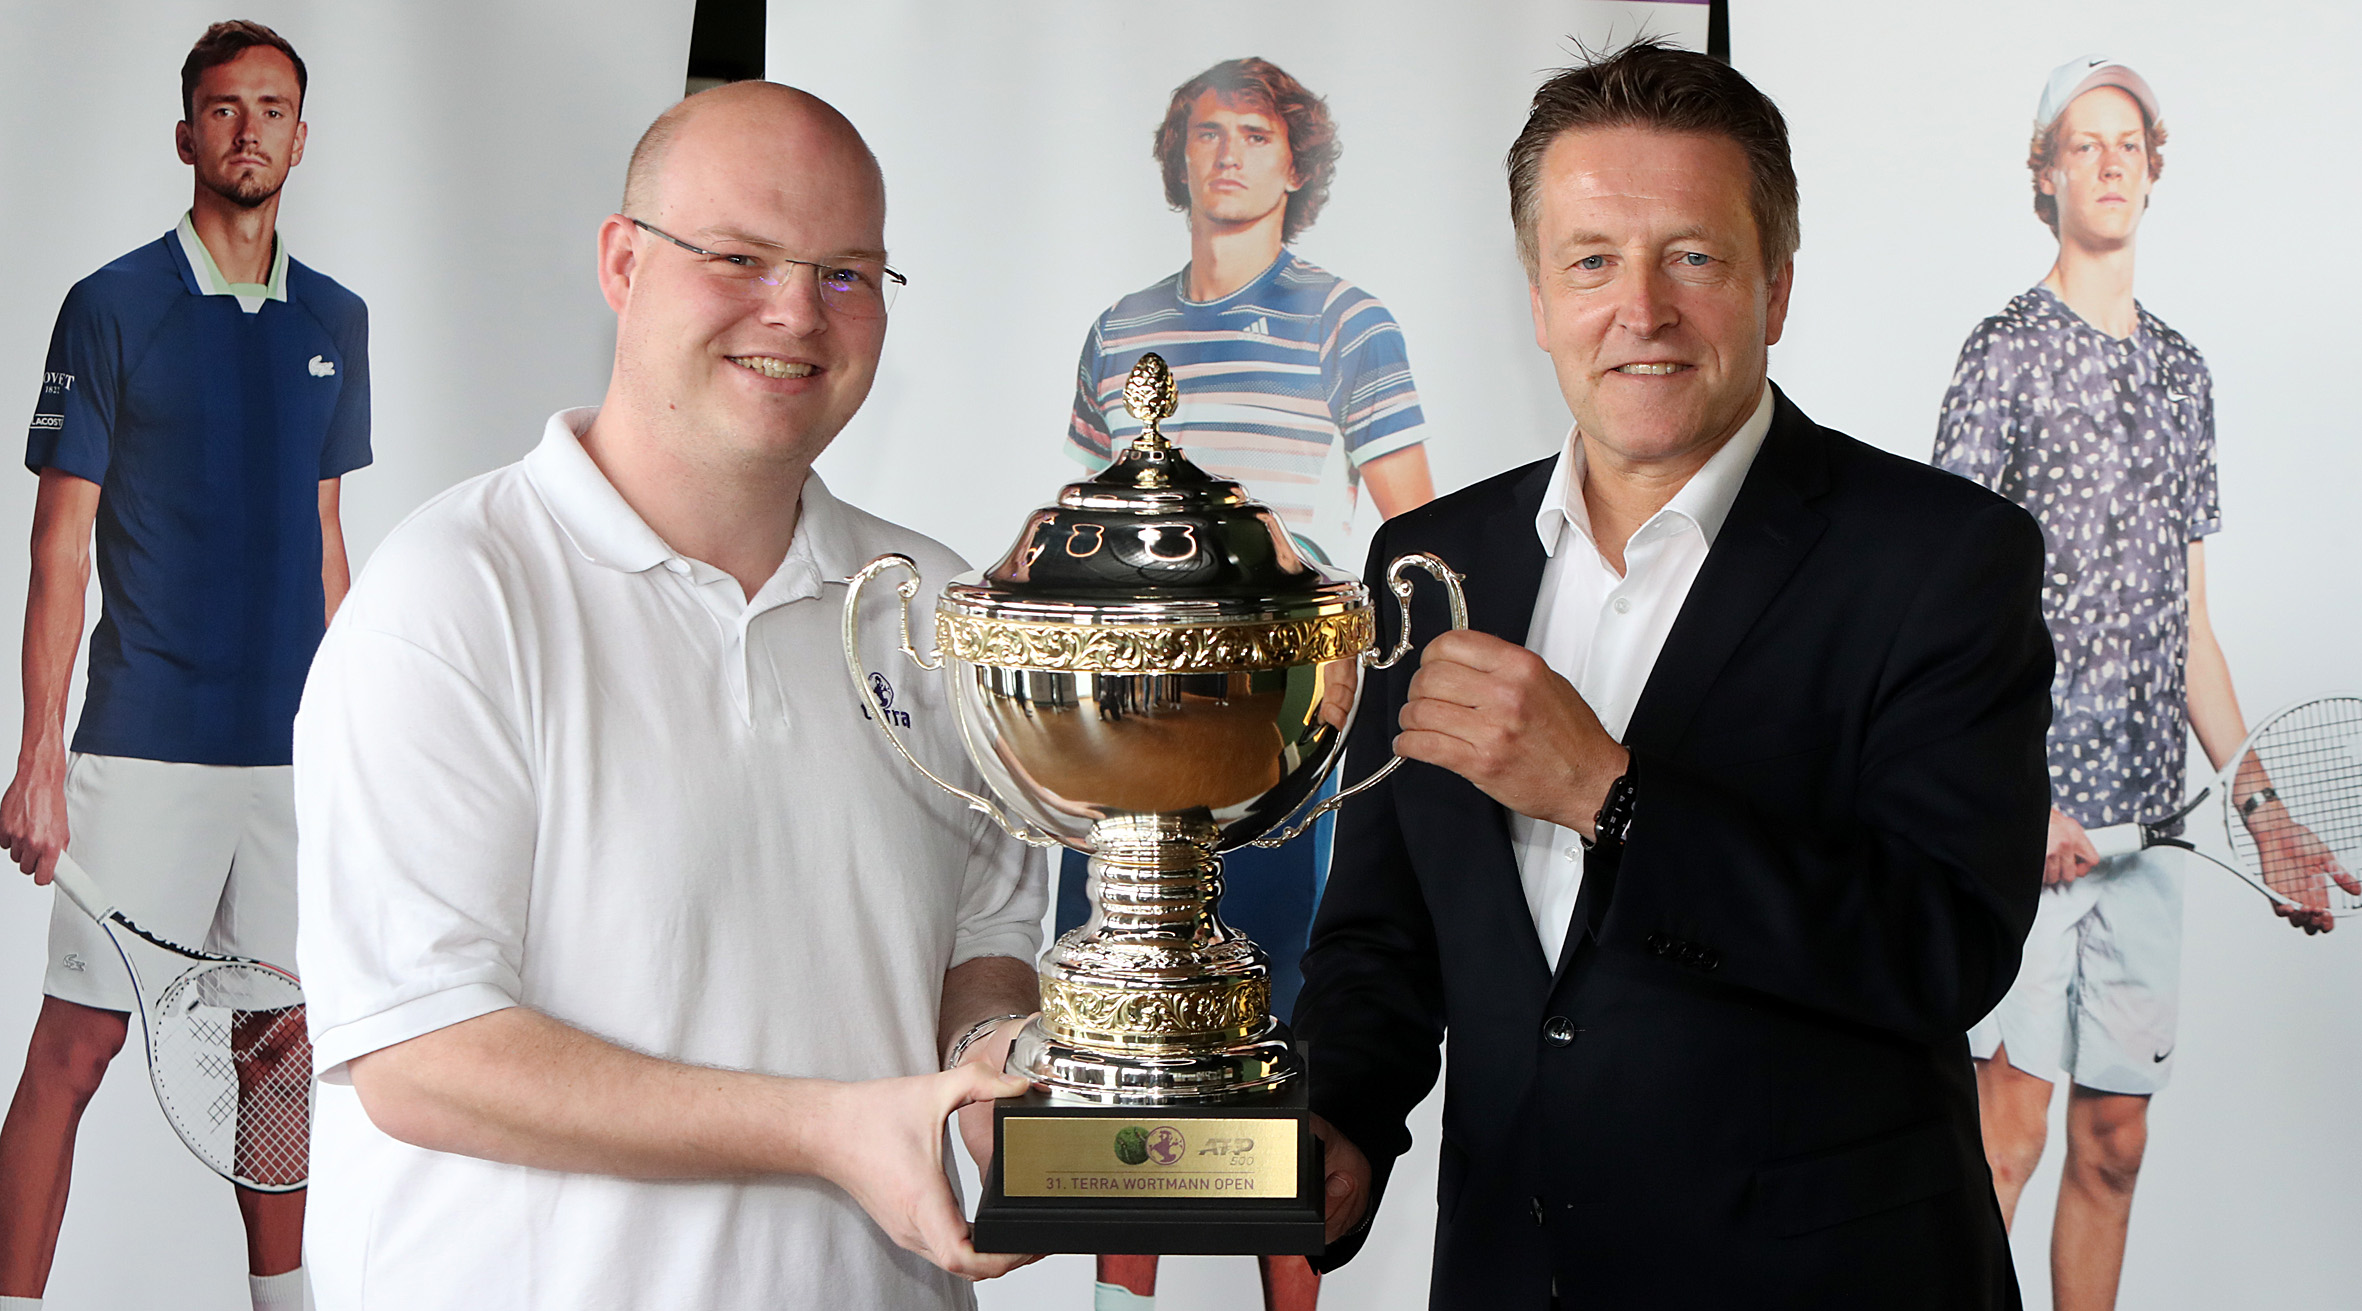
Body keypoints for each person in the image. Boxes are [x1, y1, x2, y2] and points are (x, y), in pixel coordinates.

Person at [1292, 41, 2055, 1308]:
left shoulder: (1940, 556)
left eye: (1692, 258)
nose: (1640, 311)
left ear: (1776, 286)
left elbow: (1944, 949)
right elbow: (1383, 932)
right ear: (1538, 296)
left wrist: (1611, 798)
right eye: (1591, 261)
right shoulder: (1429, 560)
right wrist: (1343, 1124)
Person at [291, 83, 1045, 1309]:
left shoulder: (934, 606)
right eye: (738, 257)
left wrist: (993, 1071)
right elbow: (421, 1053)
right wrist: (827, 1129)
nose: (796, 311)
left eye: (847, 273)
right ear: (622, 263)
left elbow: (982, 947)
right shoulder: (454, 594)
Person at [1934, 55, 2348, 1311]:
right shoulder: (2001, 354)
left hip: (2148, 835)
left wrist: (2263, 813)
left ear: (2153, 172)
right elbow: (1939, 610)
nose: (2108, 162)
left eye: (2129, 143)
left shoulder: (2182, 372)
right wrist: (2013, 799)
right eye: (2083, 143)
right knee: (2003, 1140)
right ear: (2045, 176)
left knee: (2113, 1144)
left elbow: (2190, 633)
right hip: (2025, 832)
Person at [0, 22, 366, 1311]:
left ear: (301, 138)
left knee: (278, 1053)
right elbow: (60, 545)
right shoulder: (112, 306)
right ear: (186, 133)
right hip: (144, 744)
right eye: (223, 108)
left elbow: (325, 532)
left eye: (271, 108)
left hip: (288, 757)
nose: (247, 129)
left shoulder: (336, 319)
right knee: (75, 1051)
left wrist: (354, 742)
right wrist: (40, 756)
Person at [1061, 58, 1435, 1310]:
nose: (1226, 153)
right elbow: (1082, 534)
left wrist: (1338, 676)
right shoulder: (1117, 328)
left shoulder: (1345, 320)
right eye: (1206, 131)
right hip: (1122, 727)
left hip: (1268, 721)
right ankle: (1121, 1297)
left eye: (1255, 134)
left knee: (1269, 1030)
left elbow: (1411, 534)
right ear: (1179, 155)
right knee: (1126, 1026)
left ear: (1295, 161)